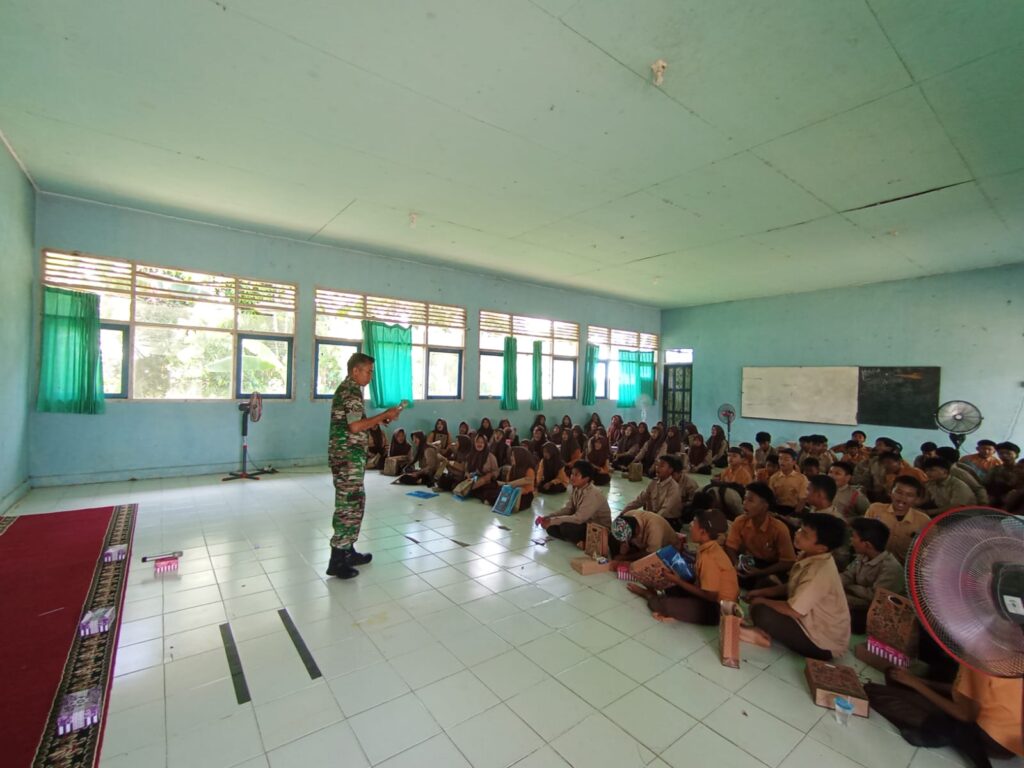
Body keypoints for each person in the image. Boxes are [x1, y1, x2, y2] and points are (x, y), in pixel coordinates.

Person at [327, 353, 402, 580]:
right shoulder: (350, 392)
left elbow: (358, 423)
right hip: (346, 457)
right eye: (368, 371)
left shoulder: (352, 391)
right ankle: (337, 559)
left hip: (351, 457)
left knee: (356, 502)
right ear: (355, 371)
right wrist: (384, 415)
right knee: (348, 505)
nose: (371, 375)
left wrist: (382, 419)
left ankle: (348, 550)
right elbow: (355, 427)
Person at [744, 513, 851, 660]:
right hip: (806, 614)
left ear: (821, 548)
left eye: (805, 535)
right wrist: (762, 592)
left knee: (762, 612)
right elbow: (793, 586)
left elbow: (794, 611)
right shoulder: (809, 554)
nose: (798, 534)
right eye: (800, 529)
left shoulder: (819, 572)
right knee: (766, 583)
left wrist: (762, 601)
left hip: (822, 642)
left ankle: (760, 634)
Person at [869, 665, 1022, 765]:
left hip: (988, 737)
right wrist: (921, 682)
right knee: (893, 676)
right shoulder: (1010, 655)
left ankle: (944, 732)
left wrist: (916, 684)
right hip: (1011, 745)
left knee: (875, 693)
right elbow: (965, 690)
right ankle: (946, 730)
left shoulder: (980, 658)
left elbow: (966, 715)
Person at [628, 508, 738, 625]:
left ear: (703, 532)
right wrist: (678, 579)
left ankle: (649, 595)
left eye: (694, 523)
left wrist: (679, 581)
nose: (690, 526)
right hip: (707, 596)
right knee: (671, 586)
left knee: (664, 605)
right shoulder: (709, 547)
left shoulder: (710, 557)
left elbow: (711, 596)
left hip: (718, 609)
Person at [724, 482, 796, 588]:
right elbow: (730, 546)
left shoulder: (779, 529)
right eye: (745, 499)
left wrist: (761, 572)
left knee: (768, 583)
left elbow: (787, 562)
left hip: (773, 566)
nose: (744, 503)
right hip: (752, 561)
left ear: (764, 505)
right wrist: (736, 564)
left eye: (750, 500)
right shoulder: (740, 521)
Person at [841, 517, 905, 633]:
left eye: (854, 537)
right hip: (859, 601)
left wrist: (849, 588)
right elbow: (848, 575)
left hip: (877, 613)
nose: (851, 540)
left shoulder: (891, 568)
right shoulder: (862, 557)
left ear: (867, 545)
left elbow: (876, 597)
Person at [538, 460, 611, 544]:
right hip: (584, 522)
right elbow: (568, 509)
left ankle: (585, 542)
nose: (572, 477)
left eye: (576, 475)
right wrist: (549, 517)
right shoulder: (576, 488)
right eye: (572, 474)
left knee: (565, 527)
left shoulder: (593, 493)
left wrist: (553, 520)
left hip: (598, 528)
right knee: (551, 528)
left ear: (586, 478)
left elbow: (579, 518)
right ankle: (577, 540)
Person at [865, 476, 930, 564]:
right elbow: (863, 538)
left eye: (909, 495)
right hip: (873, 564)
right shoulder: (875, 509)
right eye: (899, 492)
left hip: (905, 570)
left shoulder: (924, 520)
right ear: (890, 492)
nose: (902, 498)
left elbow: (930, 551)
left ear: (917, 499)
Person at [622, 456, 684, 526]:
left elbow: (665, 510)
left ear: (670, 470)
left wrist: (650, 521)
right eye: (657, 465)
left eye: (662, 466)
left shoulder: (674, 487)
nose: (657, 468)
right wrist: (624, 512)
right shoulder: (654, 482)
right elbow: (640, 500)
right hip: (654, 517)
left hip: (668, 521)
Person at [607, 509, 679, 561]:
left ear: (636, 530)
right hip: (642, 547)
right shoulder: (628, 515)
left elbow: (652, 554)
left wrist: (625, 557)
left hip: (667, 550)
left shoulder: (654, 528)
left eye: (626, 540)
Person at [486, 446, 537, 510]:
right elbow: (508, 483)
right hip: (512, 490)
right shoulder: (512, 468)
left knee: (515, 494)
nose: (511, 458)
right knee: (491, 489)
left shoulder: (529, 470)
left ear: (520, 457)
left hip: (525, 495)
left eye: (513, 456)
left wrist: (505, 484)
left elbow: (512, 484)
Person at [768, 448, 808, 514]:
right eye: (780, 459)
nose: (782, 462)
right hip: (778, 510)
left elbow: (802, 500)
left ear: (794, 462)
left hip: (795, 510)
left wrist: (794, 514)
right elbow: (771, 498)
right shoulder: (773, 478)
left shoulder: (802, 478)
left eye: (786, 459)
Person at [465, 433, 500, 503]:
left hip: (486, 481)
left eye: (482, 442)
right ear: (474, 443)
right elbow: (466, 469)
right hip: (473, 479)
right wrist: (467, 474)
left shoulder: (490, 456)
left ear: (485, 444)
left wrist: (490, 475)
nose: (479, 444)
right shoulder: (470, 455)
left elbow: (496, 471)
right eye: (477, 442)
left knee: (487, 490)